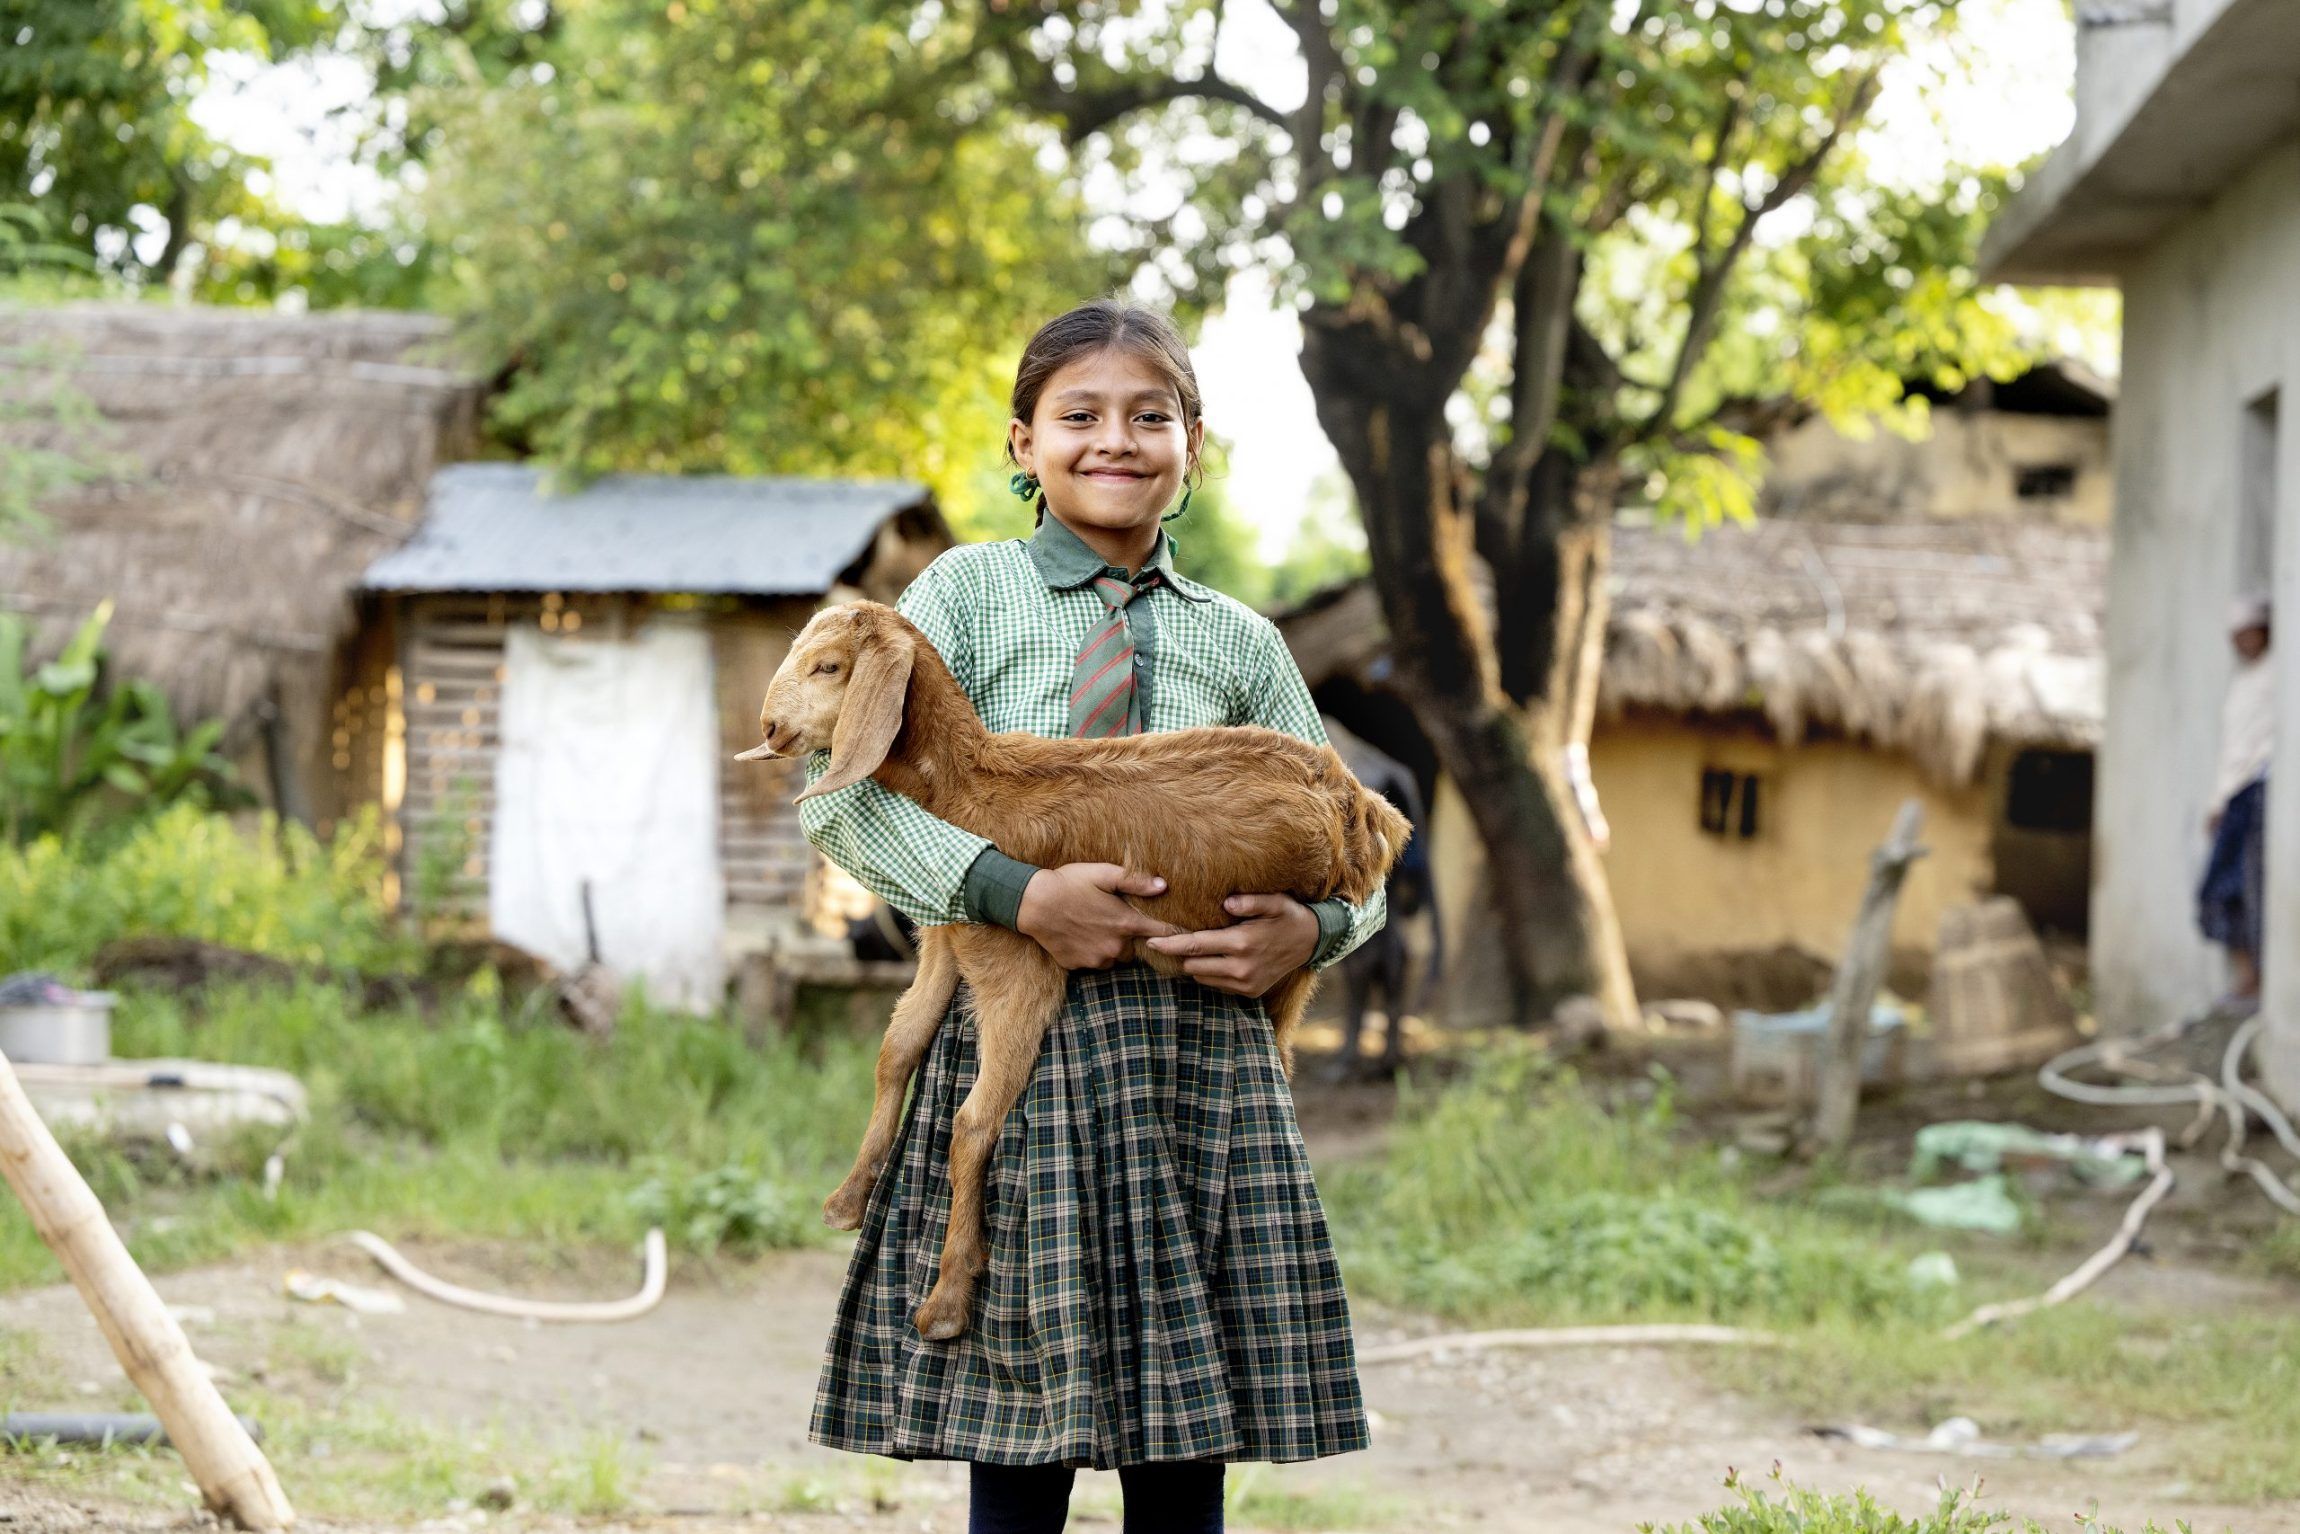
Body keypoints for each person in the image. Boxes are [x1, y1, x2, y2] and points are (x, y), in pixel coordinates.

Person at [797, 299, 1379, 1533]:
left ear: (1192, 446)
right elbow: (838, 810)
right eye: (1078, 416)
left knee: (1181, 1456)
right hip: (1026, 1060)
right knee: (1017, 1437)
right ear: (1022, 443)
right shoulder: (957, 599)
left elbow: (1356, 841)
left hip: (1199, 1066)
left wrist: (1309, 936)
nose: (1114, 440)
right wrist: (1013, 893)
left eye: (1148, 416)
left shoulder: (1242, 643)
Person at [2199, 593, 2273, 1014]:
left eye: (2250, 633)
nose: (2244, 641)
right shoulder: (2244, 683)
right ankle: (2247, 978)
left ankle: (2256, 980)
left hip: (2255, 789)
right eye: (2237, 635)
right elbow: (2233, 749)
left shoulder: (2277, 675)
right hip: (2234, 795)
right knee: (2218, 891)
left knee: (2246, 886)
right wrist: (2217, 801)